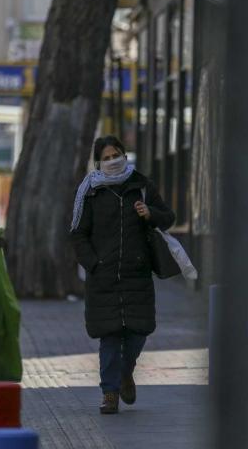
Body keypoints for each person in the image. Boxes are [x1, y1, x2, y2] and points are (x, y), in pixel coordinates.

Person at [70, 136, 175, 414]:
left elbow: (168, 217)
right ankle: (109, 393)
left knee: (138, 333)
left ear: (124, 156)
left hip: (136, 274)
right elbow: (78, 234)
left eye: (116, 154)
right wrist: (93, 263)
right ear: (98, 162)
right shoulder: (89, 192)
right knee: (110, 335)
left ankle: (125, 372)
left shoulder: (141, 186)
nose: (112, 160)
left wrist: (149, 212)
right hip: (103, 276)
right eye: (106, 157)